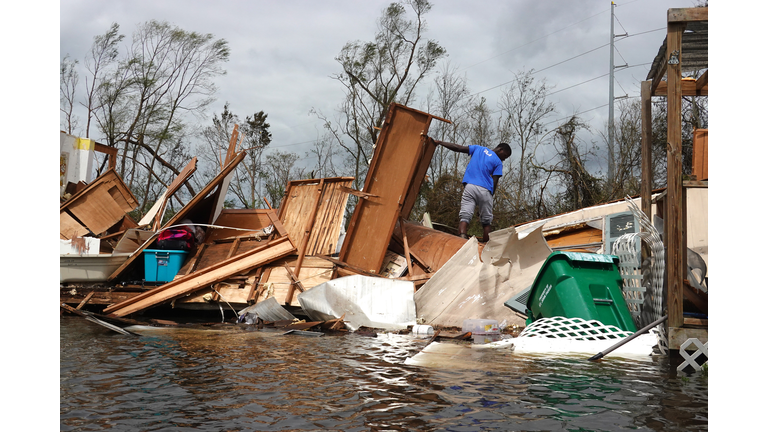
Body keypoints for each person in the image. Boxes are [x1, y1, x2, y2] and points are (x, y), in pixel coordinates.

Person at [426, 136, 511, 242]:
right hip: (486, 191)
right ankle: (486, 245)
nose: (504, 159)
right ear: (500, 149)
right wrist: (487, 200)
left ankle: (461, 238)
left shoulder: (478, 149)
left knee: (465, 216)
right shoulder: (498, 162)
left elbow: (458, 148)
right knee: (486, 222)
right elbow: (494, 182)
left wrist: (440, 142)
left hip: (470, 187)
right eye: (505, 156)